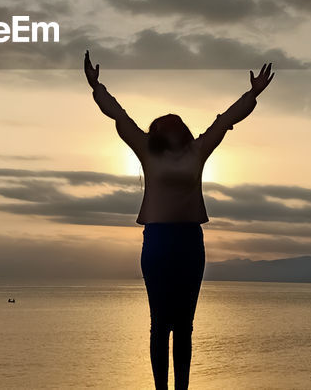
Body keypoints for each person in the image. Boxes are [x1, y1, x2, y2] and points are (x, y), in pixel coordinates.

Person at [83, 50, 275, 390]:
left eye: (175, 120)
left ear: (182, 129)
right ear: (159, 131)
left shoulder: (197, 151)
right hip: (157, 242)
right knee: (160, 325)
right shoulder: (146, 149)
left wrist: (253, 93)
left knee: (183, 326)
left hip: (189, 242)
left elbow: (226, 121)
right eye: (165, 121)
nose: (171, 121)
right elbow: (119, 117)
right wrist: (97, 87)